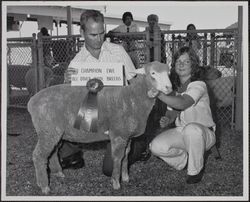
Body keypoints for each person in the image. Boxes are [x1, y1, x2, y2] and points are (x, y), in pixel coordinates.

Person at [60, 10, 151, 176]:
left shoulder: (118, 52)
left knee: (110, 170)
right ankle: (72, 152)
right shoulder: (77, 63)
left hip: (120, 115)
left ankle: (139, 143)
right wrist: (68, 82)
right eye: (93, 35)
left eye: (102, 33)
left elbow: (134, 82)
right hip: (94, 116)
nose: (99, 39)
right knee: (64, 116)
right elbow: (70, 100)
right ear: (82, 33)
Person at [149, 46, 216, 184]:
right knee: (155, 146)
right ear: (174, 65)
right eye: (178, 61)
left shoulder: (198, 85)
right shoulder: (175, 88)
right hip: (182, 131)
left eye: (186, 61)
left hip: (203, 134)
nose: (181, 64)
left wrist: (159, 94)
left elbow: (183, 103)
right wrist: (168, 119)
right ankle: (182, 160)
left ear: (194, 65)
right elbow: (173, 110)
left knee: (192, 129)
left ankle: (194, 171)